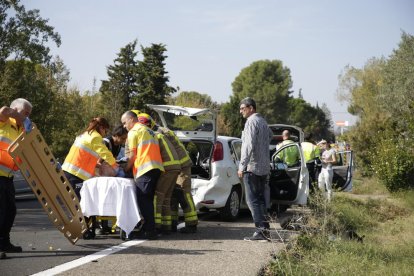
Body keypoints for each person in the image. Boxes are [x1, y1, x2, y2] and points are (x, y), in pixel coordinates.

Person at [121, 110, 164, 239]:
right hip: (155, 167)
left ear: (131, 119)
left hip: (145, 168)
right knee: (148, 199)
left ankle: (150, 230)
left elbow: (132, 155)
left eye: (124, 123)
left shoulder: (134, 131)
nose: (124, 126)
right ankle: (148, 228)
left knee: (143, 199)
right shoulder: (148, 130)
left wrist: (125, 168)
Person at [137, 113, 182, 234]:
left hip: (167, 168)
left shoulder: (153, 136)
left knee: (158, 196)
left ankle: (156, 225)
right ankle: (167, 226)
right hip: (175, 167)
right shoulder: (160, 135)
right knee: (166, 197)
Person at [0, 98, 32, 258]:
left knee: (10, 211)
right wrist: (13, 113)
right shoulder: (5, 121)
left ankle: (4, 242)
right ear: (16, 109)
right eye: (25, 113)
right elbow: (3, 110)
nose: (27, 117)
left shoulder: (20, 129)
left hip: (8, 176)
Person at [237, 97, 272, 242]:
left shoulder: (251, 121)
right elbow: (270, 137)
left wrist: (242, 165)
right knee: (261, 200)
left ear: (251, 108)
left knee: (252, 201)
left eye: (243, 108)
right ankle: (266, 231)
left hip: (252, 167)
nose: (241, 112)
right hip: (263, 167)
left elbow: (248, 145)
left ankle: (260, 232)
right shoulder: (263, 122)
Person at [62, 117, 120, 199]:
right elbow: (105, 153)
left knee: (72, 204)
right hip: (76, 175)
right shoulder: (96, 137)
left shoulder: (85, 135)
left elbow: (83, 156)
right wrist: (115, 166)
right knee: (78, 205)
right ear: (101, 128)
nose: (105, 134)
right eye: (105, 131)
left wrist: (97, 165)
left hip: (69, 171)